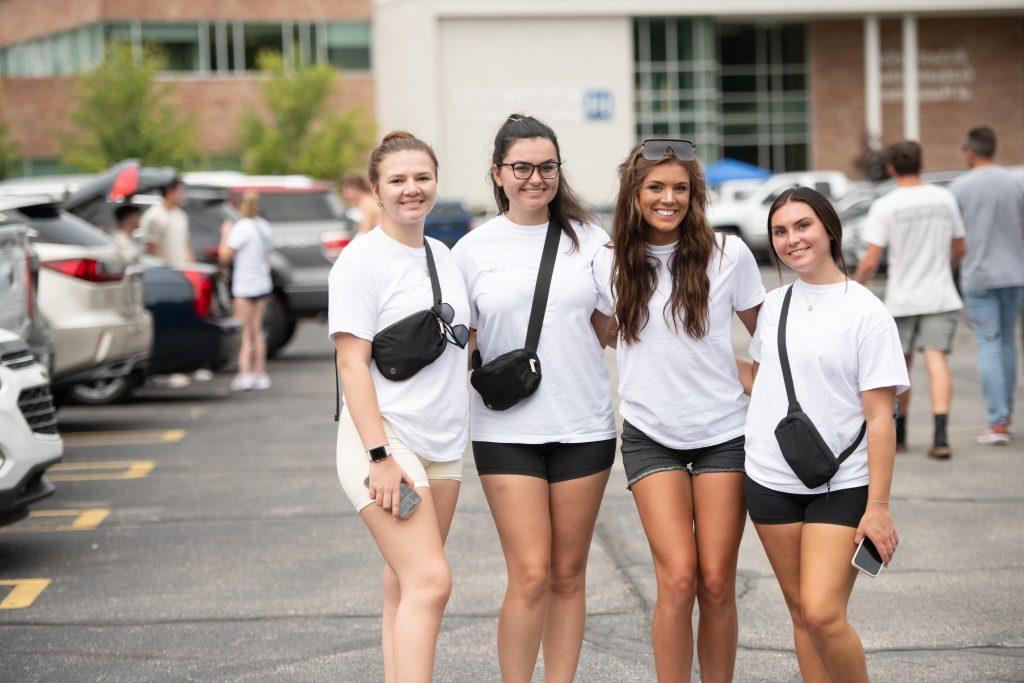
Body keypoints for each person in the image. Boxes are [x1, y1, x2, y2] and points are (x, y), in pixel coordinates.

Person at [451, 114, 616, 683]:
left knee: (569, 574)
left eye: (546, 167)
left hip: (584, 425)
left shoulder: (591, 240)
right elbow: (462, 343)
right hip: (505, 432)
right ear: (497, 174)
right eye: (521, 167)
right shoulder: (471, 250)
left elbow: (610, 326)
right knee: (529, 575)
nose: (535, 178)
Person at [592, 139, 764, 681]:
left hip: (724, 433)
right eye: (656, 187)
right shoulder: (607, 263)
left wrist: (740, 372)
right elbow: (598, 335)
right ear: (634, 194)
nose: (669, 198)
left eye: (680, 189)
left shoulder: (729, 254)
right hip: (651, 432)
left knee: (716, 581)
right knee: (678, 579)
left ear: (695, 195)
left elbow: (769, 341)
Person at [742, 187, 909, 683]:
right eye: (780, 231)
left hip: (842, 484)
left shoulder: (866, 313)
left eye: (802, 225)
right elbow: (760, 379)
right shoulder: (773, 306)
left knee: (822, 612)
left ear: (829, 228)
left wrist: (877, 506)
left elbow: (881, 417)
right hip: (770, 479)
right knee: (799, 611)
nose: (792, 239)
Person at [329, 131, 469, 683]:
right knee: (431, 581)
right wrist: (380, 457)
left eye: (422, 177)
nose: (412, 189)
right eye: (398, 180)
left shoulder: (442, 255)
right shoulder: (361, 262)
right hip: (387, 444)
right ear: (376, 190)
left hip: (443, 446)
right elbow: (350, 365)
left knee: (403, 581)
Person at [854, 141, 966, 459]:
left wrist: (855, 285)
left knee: (900, 369)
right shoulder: (944, 198)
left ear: (890, 168)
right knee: (937, 362)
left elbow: (871, 259)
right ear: (923, 163)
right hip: (940, 295)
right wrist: (948, 268)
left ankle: (900, 433)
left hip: (902, 298)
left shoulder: (886, 205)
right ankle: (941, 436)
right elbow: (960, 245)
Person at [950, 126, 1024, 445]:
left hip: (978, 276)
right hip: (1014, 274)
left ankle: (997, 422)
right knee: (1007, 343)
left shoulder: (959, 187)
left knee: (989, 345)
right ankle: (1004, 417)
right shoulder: (1015, 181)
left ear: (969, 151)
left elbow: (955, 237)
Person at [219, 192, 273, 392]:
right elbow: (268, 254)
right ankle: (261, 373)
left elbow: (225, 255)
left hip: (244, 285)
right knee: (258, 331)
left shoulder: (241, 228)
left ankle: (245, 373)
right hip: (262, 283)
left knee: (245, 333)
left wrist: (225, 233)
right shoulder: (264, 226)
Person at [141, 175, 194, 266]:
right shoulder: (153, 216)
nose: (183, 195)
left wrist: (192, 267)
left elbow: (185, 246)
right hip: (165, 274)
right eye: (180, 191)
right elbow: (152, 250)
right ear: (170, 191)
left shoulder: (181, 215)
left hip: (182, 271)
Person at [341, 173, 383, 237]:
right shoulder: (363, 202)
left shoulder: (367, 203)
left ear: (355, 188)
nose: (344, 193)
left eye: (346, 189)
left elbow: (365, 231)